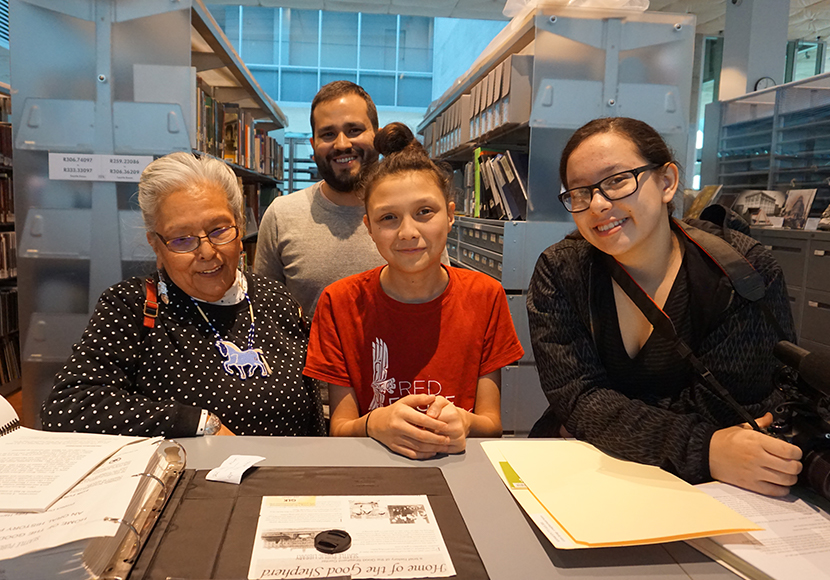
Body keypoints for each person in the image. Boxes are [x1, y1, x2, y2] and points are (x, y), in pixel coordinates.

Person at [527, 117, 803, 497]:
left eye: (617, 180)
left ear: (666, 182)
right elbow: (575, 397)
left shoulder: (740, 271)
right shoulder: (562, 271)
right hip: (586, 469)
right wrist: (704, 448)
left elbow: (732, 405)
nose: (598, 204)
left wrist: (603, 417)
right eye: (579, 192)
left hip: (716, 486)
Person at [41, 152, 324, 438]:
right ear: (156, 245)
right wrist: (197, 423)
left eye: (219, 230)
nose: (206, 252)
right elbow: (68, 407)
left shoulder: (275, 298)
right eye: (181, 239)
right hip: (192, 480)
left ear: (240, 229)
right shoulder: (130, 306)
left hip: (290, 478)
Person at [303, 123, 524, 459]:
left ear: (450, 215)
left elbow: (491, 424)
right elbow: (341, 427)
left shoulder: (486, 295)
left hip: (455, 466)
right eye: (389, 217)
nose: (408, 232)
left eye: (424, 212)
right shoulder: (340, 302)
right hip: (372, 468)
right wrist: (376, 421)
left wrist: (463, 421)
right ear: (370, 228)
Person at [254, 81, 385, 317]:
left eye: (354, 130)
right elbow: (265, 315)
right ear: (313, 146)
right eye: (328, 134)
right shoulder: (281, 216)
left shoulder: (410, 213)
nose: (342, 144)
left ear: (377, 135)